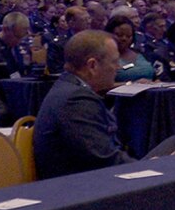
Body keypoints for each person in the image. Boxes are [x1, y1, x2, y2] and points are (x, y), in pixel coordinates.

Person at [33, 30, 134, 178]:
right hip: (84, 189)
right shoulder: (75, 101)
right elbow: (107, 160)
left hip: (93, 178)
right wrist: (150, 166)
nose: (117, 68)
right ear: (92, 66)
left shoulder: (68, 88)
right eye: (114, 62)